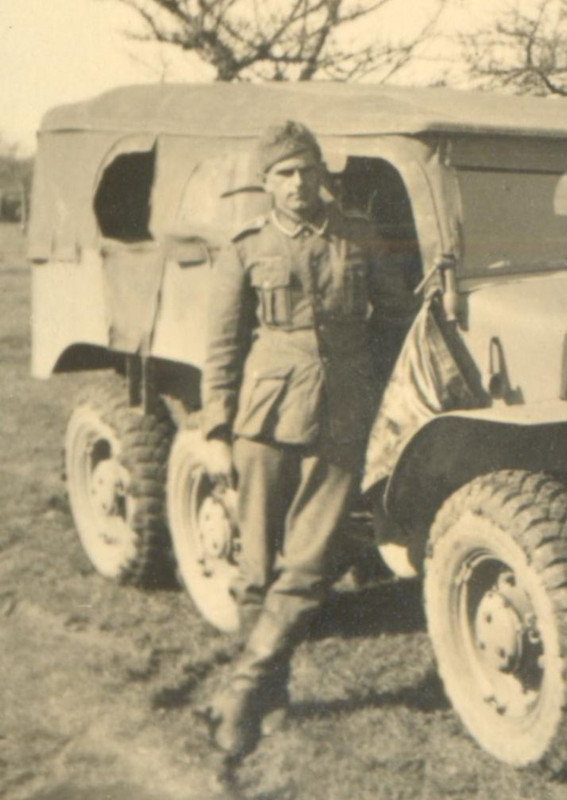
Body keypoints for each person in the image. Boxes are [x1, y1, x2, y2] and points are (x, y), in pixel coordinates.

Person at [200, 120, 412, 759]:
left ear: (323, 174)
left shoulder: (358, 236)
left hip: (340, 416)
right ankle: (273, 696)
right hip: (263, 422)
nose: (298, 185)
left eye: (307, 171)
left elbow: (397, 314)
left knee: (310, 564)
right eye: (284, 175)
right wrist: (215, 431)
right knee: (257, 570)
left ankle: (240, 692)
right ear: (266, 183)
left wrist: (370, 386)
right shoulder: (245, 246)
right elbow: (221, 349)